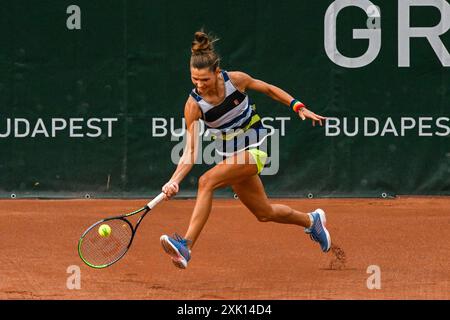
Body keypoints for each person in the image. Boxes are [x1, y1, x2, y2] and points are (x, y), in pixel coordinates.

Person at [159, 30, 331, 269]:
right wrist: (174, 180)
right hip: (232, 155)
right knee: (264, 212)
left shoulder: (235, 80)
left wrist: (297, 106)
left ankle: (186, 246)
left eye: (204, 80)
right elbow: (190, 151)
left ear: (217, 73)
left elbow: (269, 89)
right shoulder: (193, 105)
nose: (199, 85)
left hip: (256, 146)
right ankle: (312, 220)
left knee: (206, 181)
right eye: (194, 79)